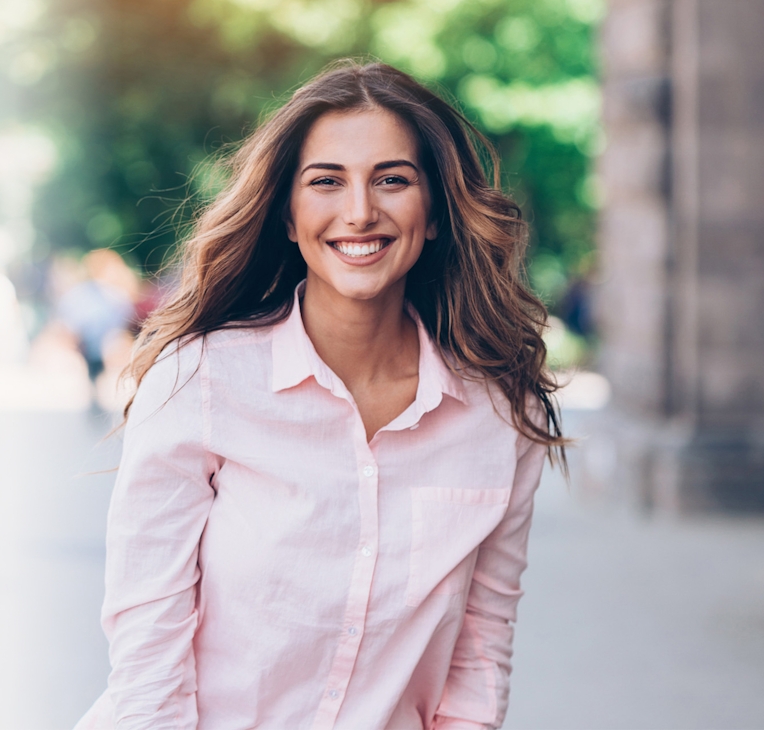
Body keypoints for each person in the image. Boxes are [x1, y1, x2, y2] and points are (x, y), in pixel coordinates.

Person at [75, 60, 565, 730]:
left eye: (392, 180)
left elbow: (480, 650)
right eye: (326, 182)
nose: (359, 211)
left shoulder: (503, 414)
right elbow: (147, 646)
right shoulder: (203, 380)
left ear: (435, 214)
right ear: (287, 215)